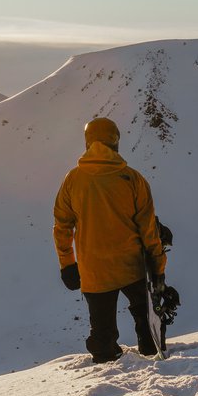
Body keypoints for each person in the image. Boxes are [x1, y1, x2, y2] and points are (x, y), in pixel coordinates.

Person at [54, 116, 168, 362]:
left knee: (102, 335)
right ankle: (152, 356)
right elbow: (148, 230)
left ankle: (107, 373)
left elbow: (62, 226)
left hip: (94, 271)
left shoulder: (72, 180)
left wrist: (67, 264)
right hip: (132, 266)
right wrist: (158, 268)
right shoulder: (133, 179)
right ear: (115, 141)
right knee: (147, 323)